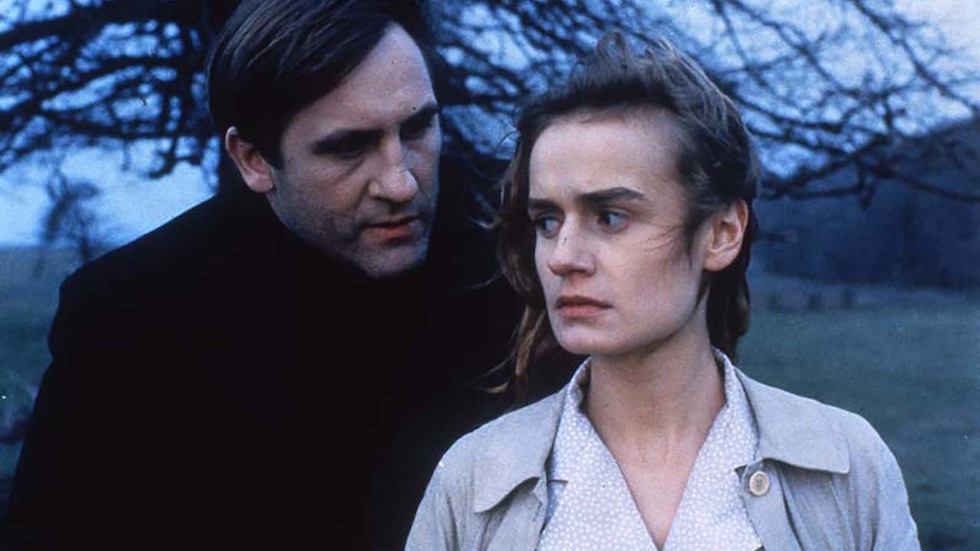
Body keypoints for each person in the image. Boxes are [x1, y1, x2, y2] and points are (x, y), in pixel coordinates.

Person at [0, 1, 524, 548]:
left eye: (417, 128)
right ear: (252, 160)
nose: (400, 183)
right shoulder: (131, 313)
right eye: (349, 148)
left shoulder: (516, 254)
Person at [407, 33, 921, 550]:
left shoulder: (846, 466)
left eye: (610, 217)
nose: (563, 256)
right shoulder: (472, 482)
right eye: (547, 220)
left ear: (721, 233)